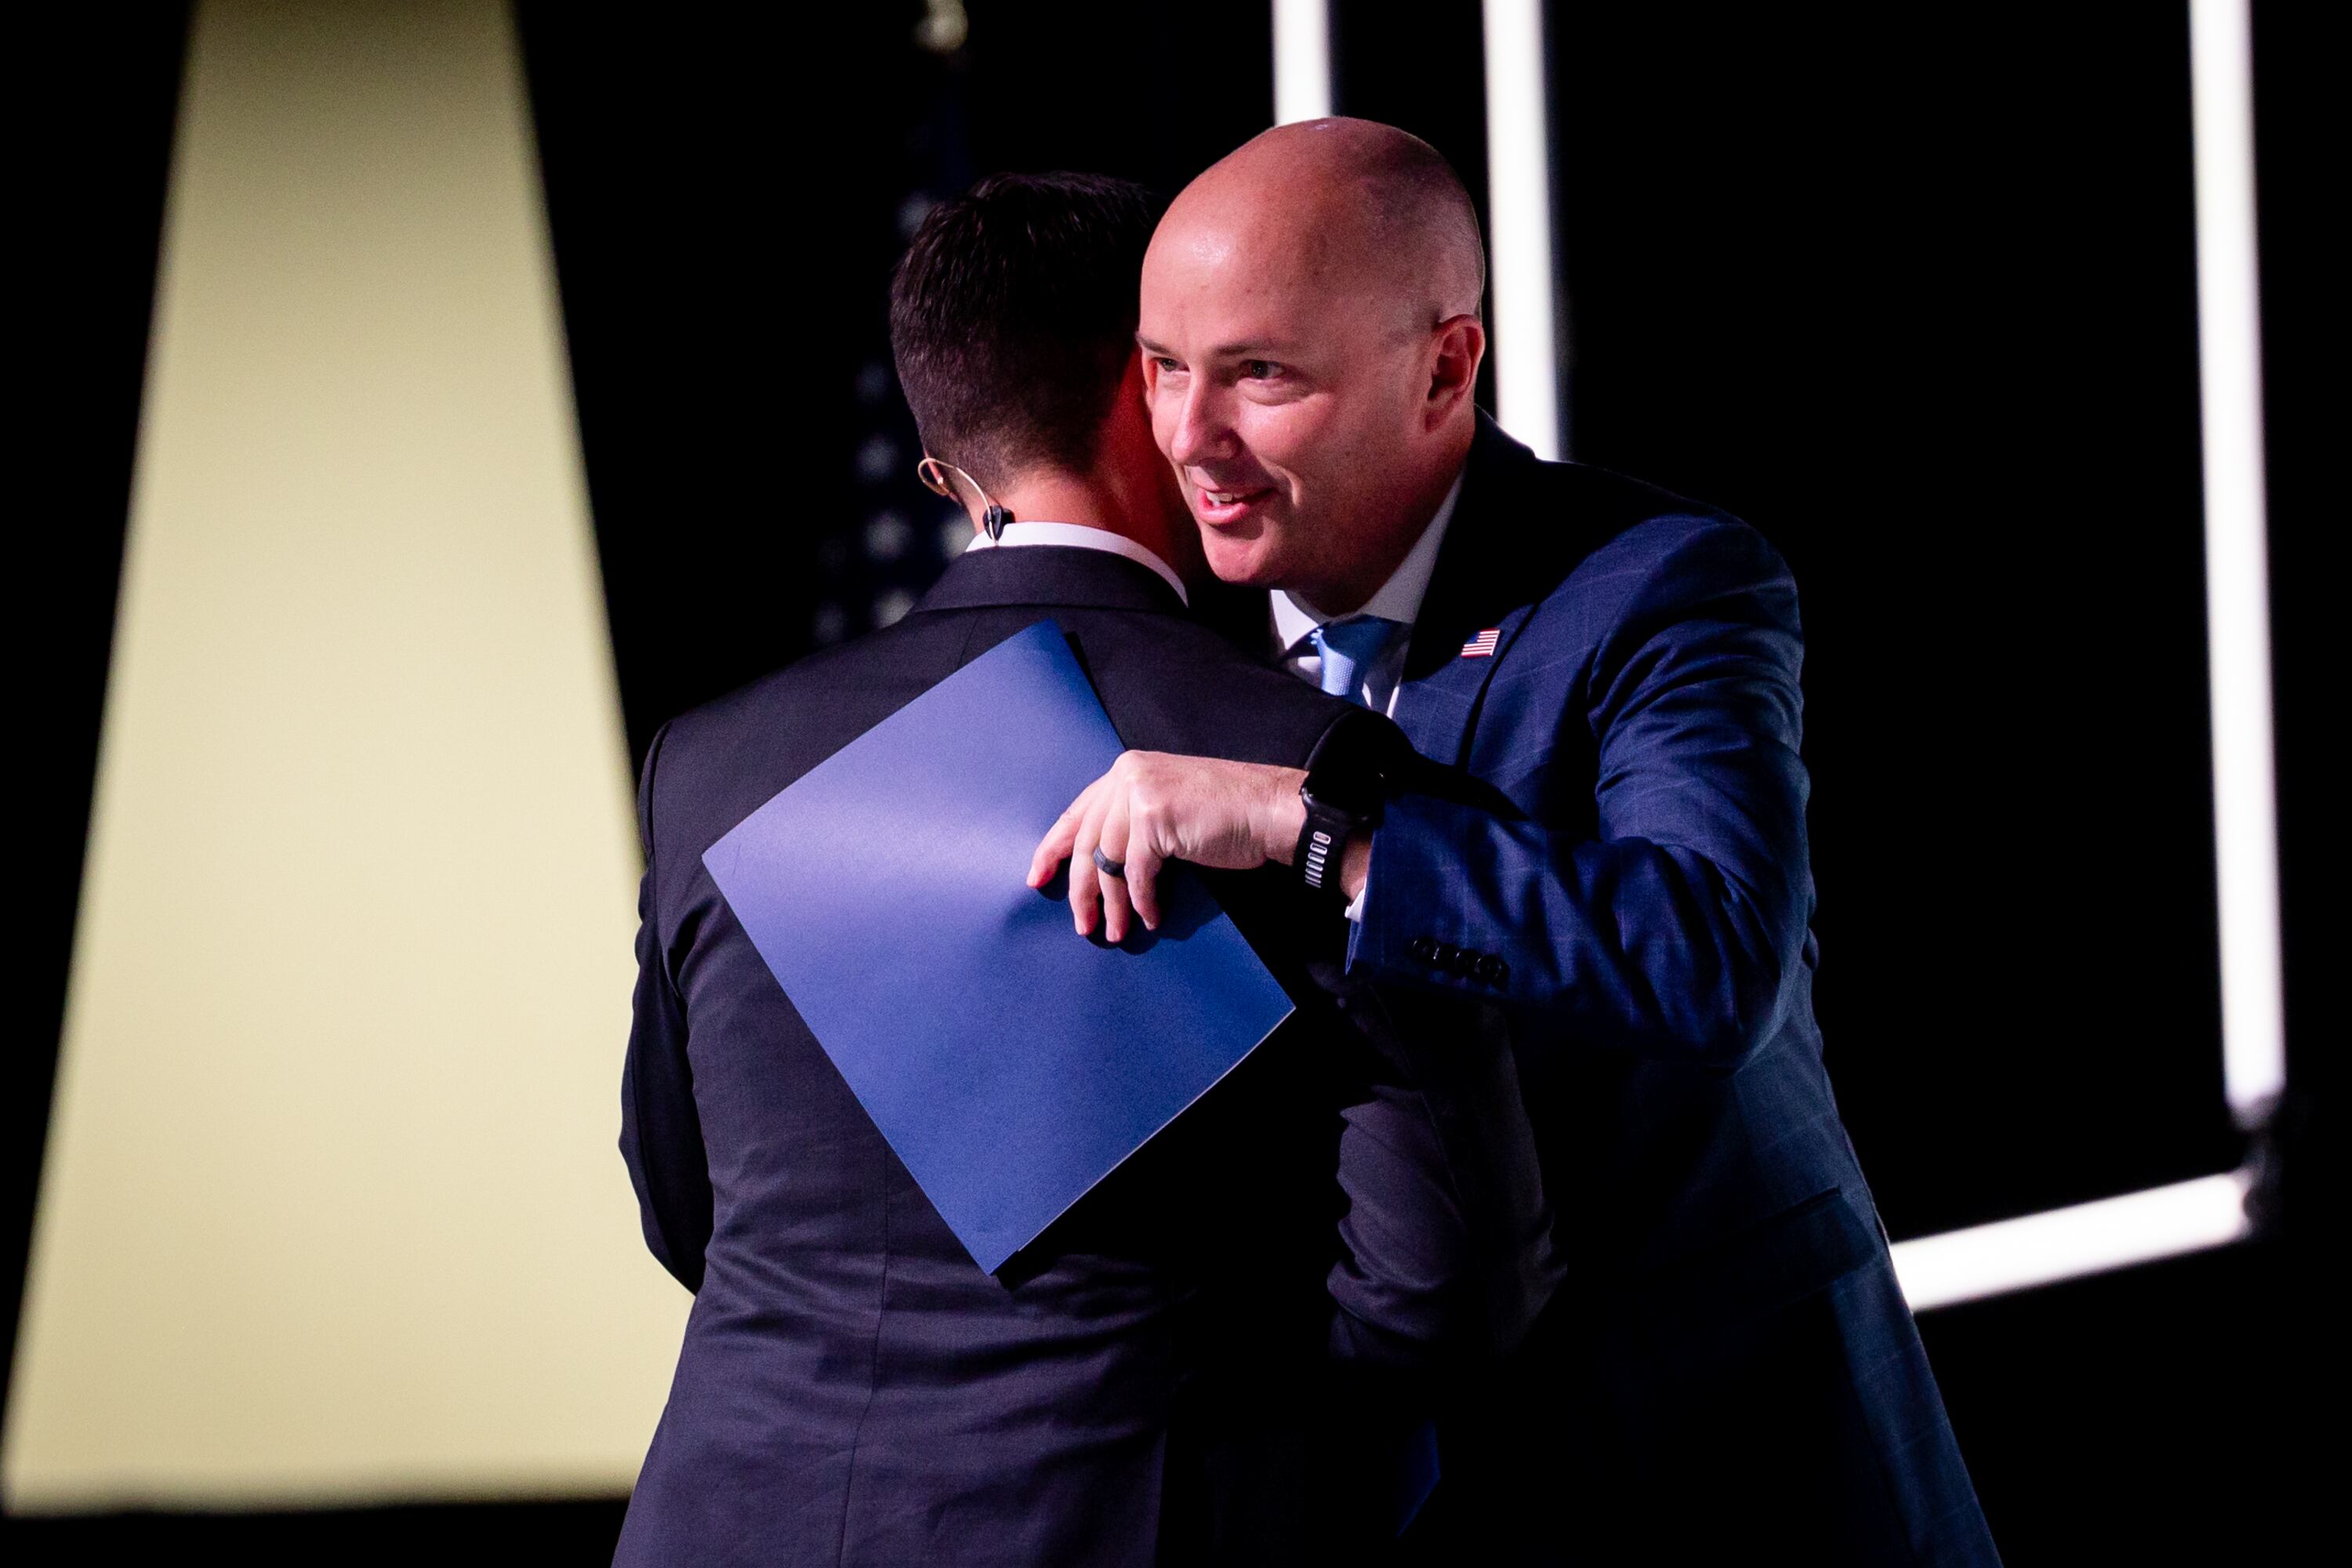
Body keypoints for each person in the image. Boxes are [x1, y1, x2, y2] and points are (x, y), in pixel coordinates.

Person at [1032, 119, 2001, 1564]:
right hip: (1370, 1489)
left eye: (1260, 375)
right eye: (1166, 368)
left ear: (1446, 367)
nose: (1187, 438)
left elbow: (1709, 961)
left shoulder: (1664, 585)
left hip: (1720, 1457)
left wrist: (1324, 832)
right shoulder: (1161, 638)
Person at [615, 171, 1554, 1566]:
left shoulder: (712, 761)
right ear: (1151, 387)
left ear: (946, 468)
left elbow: (683, 1203)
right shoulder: (1313, 775)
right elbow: (1445, 1288)